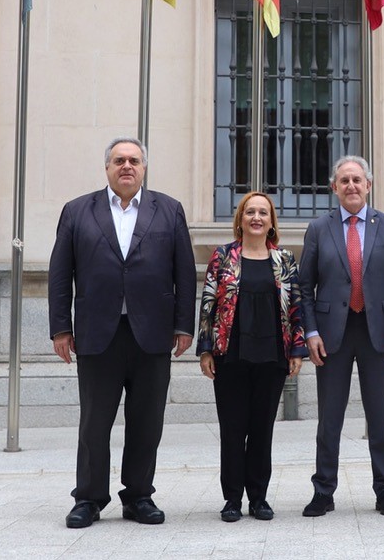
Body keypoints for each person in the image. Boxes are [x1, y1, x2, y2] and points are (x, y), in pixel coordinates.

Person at [47, 137, 196, 529]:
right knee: (94, 423)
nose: (126, 166)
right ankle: (89, 498)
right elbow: (60, 274)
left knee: (147, 421)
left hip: (153, 334)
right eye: (119, 160)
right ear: (107, 168)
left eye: (133, 160)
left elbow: (184, 272)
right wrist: (61, 328)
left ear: (143, 168)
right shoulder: (78, 211)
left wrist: (184, 325)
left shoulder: (169, 210)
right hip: (98, 334)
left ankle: (139, 496)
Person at [299, 155, 384, 517]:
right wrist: (311, 331)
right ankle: (323, 491)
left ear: (369, 185)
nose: (351, 186)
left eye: (357, 180)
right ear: (334, 188)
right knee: (329, 418)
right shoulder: (319, 228)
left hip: (379, 334)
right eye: (344, 181)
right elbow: (304, 286)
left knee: (380, 417)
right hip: (332, 334)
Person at [196, 191, 308, 522]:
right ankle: (232, 499)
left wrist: (297, 349)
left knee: (262, 429)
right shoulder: (222, 256)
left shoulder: (284, 259)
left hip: (273, 355)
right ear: (240, 219)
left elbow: (296, 306)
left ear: (271, 222)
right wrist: (205, 349)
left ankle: (258, 498)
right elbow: (208, 304)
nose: (256, 217)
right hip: (230, 354)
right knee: (232, 430)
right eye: (250, 212)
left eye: (263, 213)